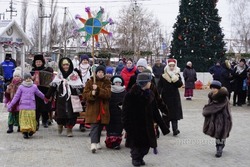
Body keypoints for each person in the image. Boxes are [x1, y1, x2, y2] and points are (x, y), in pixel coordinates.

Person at [122, 72, 160, 166]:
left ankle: (140, 157)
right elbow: (125, 111)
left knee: (146, 145)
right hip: (134, 124)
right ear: (144, 83)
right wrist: (126, 125)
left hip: (147, 124)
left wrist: (159, 122)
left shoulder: (150, 94)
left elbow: (154, 109)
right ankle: (135, 158)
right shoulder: (131, 95)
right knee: (136, 144)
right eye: (149, 82)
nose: (150, 83)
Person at [45, 57, 83, 137]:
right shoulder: (59, 76)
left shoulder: (75, 75)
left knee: (72, 114)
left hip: (72, 98)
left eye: (67, 65)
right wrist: (47, 95)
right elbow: (53, 86)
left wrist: (85, 93)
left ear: (70, 65)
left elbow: (80, 86)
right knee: (60, 113)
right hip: (61, 98)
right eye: (64, 65)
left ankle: (69, 129)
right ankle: (60, 125)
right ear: (61, 66)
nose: (66, 67)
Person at [83, 65, 111, 153]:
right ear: (96, 73)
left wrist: (98, 90)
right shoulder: (90, 82)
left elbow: (108, 94)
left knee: (100, 126)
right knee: (94, 125)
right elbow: (85, 95)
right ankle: (93, 143)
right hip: (93, 107)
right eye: (99, 72)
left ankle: (98, 141)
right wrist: (92, 93)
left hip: (103, 107)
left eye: (102, 72)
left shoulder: (107, 82)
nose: (101, 74)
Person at [7, 73, 45, 139]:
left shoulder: (34, 86)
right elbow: (16, 97)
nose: (28, 79)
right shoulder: (21, 87)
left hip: (31, 107)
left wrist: (45, 98)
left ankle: (31, 130)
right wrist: (11, 105)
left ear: (31, 78)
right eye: (26, 78)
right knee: (24, 120)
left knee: (31, 119)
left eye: (29, 78)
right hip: (23, 106)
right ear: (24, 79)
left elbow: (39, 93)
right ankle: (25, 132)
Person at [202, 80, 232, 158]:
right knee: (218, 134)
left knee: (220, 133)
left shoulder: (223, 97)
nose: (213, 89)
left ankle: (219, 149)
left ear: (219, 89)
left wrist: (206, 110)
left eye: (215, 88)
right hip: (215, 118)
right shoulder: (211, 96)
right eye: (212, 88)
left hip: (223, 118)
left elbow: (215, 106)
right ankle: (221, 145)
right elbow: (211, 105)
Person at [158, 59, 183, 136]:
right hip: (165, 96)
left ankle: (175, 129)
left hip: (175, 97)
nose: (171, 67)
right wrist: (158, 94)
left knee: (175, 114)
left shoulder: (177, 75)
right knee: (166, 112)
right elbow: (159, 86)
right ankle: (166, 128)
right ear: (167, 66)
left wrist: (174, 78)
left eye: (173, 66)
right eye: (170, 66)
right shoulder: (163, 76)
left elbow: (179, 85)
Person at [31, 54, 53, 129]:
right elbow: (29, 80)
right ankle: (36, 121)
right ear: (35, 63)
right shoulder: (33, 70)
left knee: (45, 106)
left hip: (44, 89)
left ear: (42, 62)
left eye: (40, 62)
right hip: (35, 90)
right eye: (37, 62)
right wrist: (32, 78)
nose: (38, 63)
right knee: (36, 107)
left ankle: (45, 120)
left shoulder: (46, 69)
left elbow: (51, 76)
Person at [105, 76, 126, 150]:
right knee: (110, 128)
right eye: (116, 82)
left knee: (118, 128)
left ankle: (117, 143)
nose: (118, 84)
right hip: (110, 112)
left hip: (120, 113)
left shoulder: (124, 91)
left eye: (119, 82)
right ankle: (110, 142)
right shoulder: (110, 90)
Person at [5, 67, 23, 133]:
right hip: (11, 102)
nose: (16, 77)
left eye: (18, 76)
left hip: (19, 103)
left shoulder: (22, 85)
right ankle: (10, 127)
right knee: (11, 116)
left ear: (20, 77)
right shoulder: (11, 85)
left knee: (18, 115)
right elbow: (7, 93)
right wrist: (6, 100)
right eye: (15, 76)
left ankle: (19, 126)